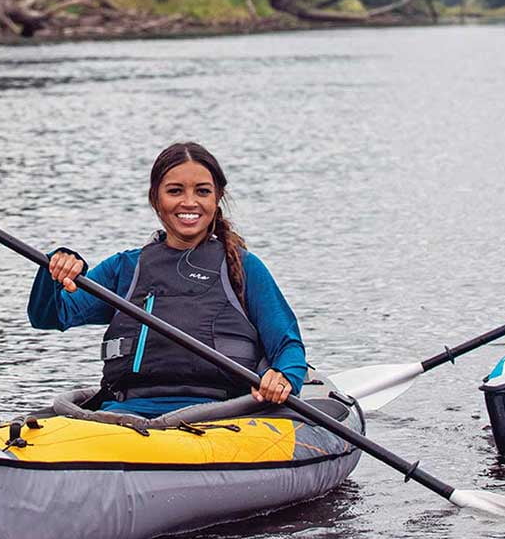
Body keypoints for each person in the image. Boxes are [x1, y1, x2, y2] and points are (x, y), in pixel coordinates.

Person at [30, 141, 307, 418]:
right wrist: (55, 268)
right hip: (125, 414)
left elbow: (287, 346)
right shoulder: (125, 268)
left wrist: (283, 377)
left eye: (202, 191)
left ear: (217, 198)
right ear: (155, 199)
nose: (189, 202)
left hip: (223, 415)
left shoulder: (245, 267)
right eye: (175, 191)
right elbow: (50, 317)